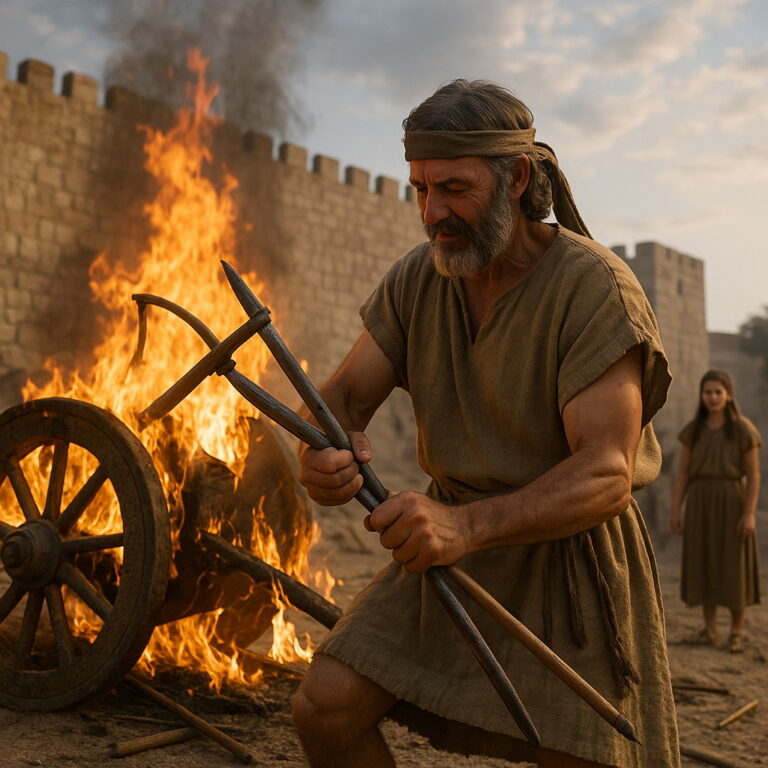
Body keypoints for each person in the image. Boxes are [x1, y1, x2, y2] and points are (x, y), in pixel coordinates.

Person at [292, 79, 679, 768]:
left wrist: (466, 528)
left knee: (580, 752)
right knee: (325, 706)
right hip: (448, 542)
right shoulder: (419, 279)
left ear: (517, 178)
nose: (432, 212)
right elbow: (343, 398)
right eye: (419, 188)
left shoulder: (594, 288)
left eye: (453, 189)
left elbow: (606, 475)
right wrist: (321, 448)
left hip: (567, 550)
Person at [670, 369, 762, 652]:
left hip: (732, 500)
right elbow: (683, 474)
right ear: (702, 395)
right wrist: (676, 508)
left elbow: (754, 474)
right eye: (707, 392)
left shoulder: (743, 429)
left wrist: (749, 513)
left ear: (728, 395)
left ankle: (735, 631)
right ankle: (709, 630)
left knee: (734, 564)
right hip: (699, 502)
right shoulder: (693, 431)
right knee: (704, 561)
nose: (712, 397)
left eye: (717, 392)